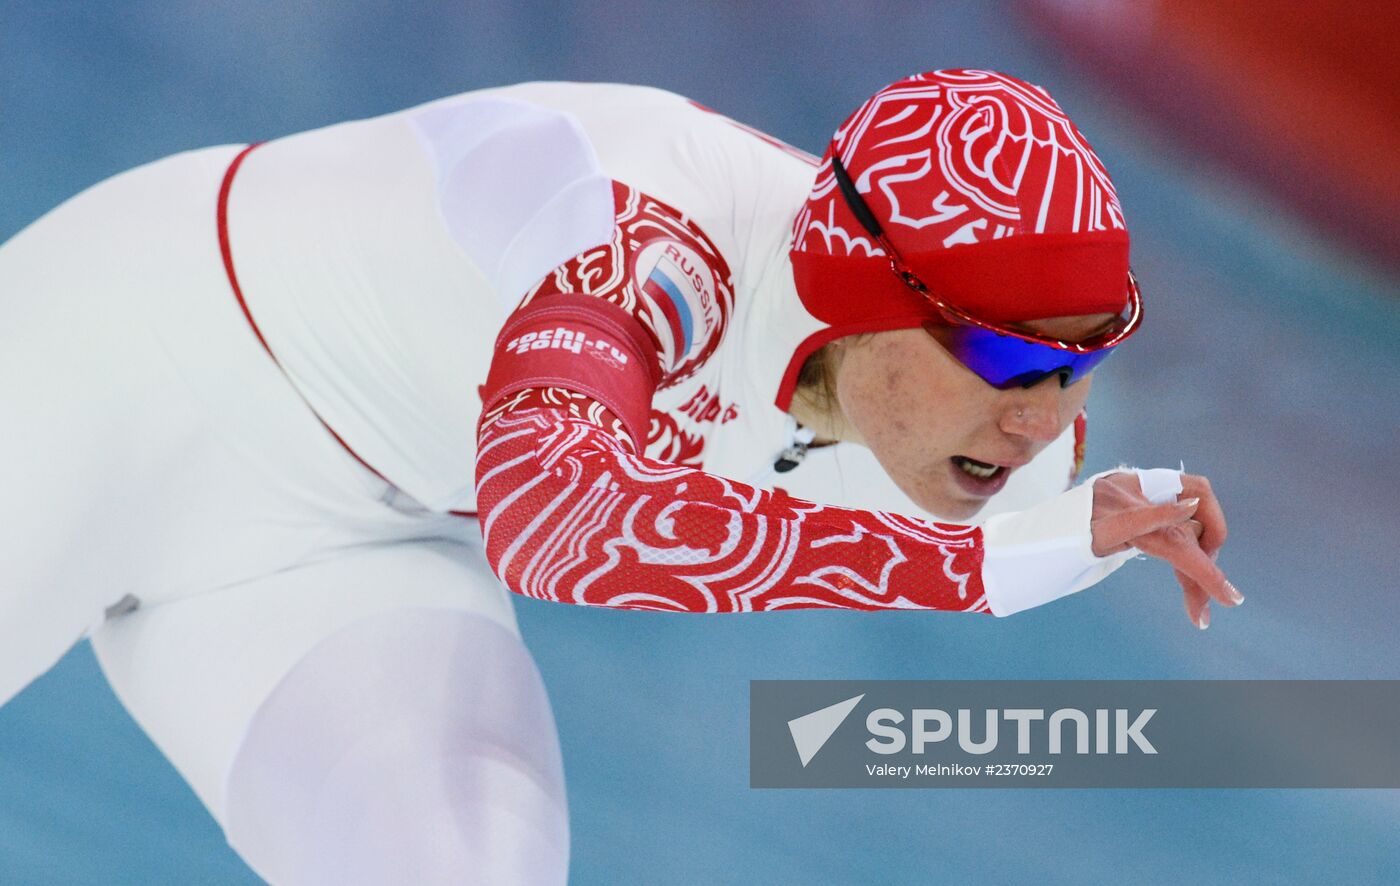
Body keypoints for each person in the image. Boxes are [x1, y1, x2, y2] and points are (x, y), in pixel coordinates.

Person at [0, 69, 1237, 884]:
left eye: (1083, 360)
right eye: (1010, 355)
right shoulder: (643, 230)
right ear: (861, 293)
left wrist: (1067, 523)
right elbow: (552, 521)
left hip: (343, 553)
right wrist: (970, 570)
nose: (1040, 416)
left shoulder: (1015, 463)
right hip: (125, 362)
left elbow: (1049, 503)